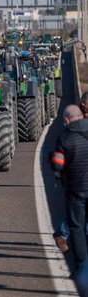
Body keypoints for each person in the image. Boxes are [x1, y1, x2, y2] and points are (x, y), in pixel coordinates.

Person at [51, 104, 88, 272]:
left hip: (76, 189)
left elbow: (58, 165)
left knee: (77, 228)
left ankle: (82, 266)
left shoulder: (64, 138)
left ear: (66, 120)